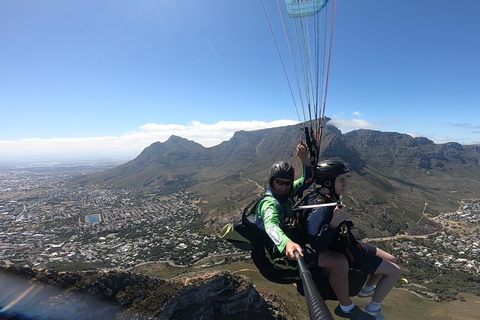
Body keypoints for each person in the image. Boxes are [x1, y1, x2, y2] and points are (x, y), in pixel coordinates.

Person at [306, 160, 402, 320]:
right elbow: (317, 244)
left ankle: (367, 289)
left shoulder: (326, 197)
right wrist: (334, 223)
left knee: (391, 259)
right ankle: (373, 310)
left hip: (351, 245)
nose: (345, 184)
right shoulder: (321, 208)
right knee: (395, 271)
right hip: (349, 253)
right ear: (329, 182)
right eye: (342, 180)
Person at [251, 142, 314, 284]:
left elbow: (307, 181)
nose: (284, 187)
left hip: (290, 242)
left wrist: (304, 160)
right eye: (279, 182)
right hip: (276, 255)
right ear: (272, 182)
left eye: (288, 183)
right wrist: (286, 243)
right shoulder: (270, 204)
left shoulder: (288, 192)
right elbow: (271, 225)